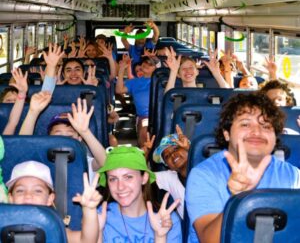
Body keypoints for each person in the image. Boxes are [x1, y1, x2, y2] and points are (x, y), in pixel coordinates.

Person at [185, 92, 300, 243]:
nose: (257, 132)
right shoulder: (203, 175)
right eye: (245, 124)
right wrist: (237, 198)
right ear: (227, 134)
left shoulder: (292, 175)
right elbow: (209, 240)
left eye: (266, 126)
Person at [96, 145, 182, 242]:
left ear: (144, 178)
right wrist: (97, 232)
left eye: (128, 177)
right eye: (113, 179)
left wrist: (160, 236)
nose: (120, 187)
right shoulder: (100, 217)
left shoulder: (167, 220)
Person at [6, 160, 101, 243]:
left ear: (50, 199)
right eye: (20, 191)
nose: (28, 195)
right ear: (10, 198)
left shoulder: (52, 227)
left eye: (38, 191)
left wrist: (89, 209)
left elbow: (86, 240)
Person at [116, 56, 157, 146]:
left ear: (156, 67)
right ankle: (144, 157)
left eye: (150, 64)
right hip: (144, 116)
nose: (146, 65)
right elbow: (119, 90)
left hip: (158, 115)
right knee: (144, 129)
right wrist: (122, 69)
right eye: (144, 63)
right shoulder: (134, 82)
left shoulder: (160, 80)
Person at [152, 125, 190, 219]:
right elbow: (141, 177)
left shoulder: (206, 168)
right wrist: (144, 155)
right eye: (167, 156)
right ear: (166, 165)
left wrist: (190, 150)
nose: (173, 155)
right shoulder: (169, 178)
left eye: (176, 148)